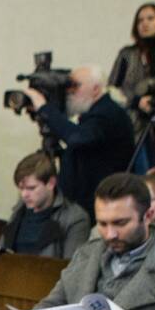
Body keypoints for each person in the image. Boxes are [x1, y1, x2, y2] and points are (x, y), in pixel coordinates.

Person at [35, 173, 155, 310]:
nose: (109, 234)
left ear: (148, 215)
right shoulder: (86, 253)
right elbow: (49, 307)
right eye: (102, 223)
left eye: (120, 223)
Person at [25, 66, 135, 216]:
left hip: (100, 203)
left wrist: (45, 108)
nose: (69, 91)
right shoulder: (95, 112)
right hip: (87, 200)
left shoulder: (107, 113)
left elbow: (76, 138)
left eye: (75, 86)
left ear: (96, 89)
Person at [0, 151, 90, 259]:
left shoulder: (75, 218)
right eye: (21, 188)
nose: (24, 195)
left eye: (31, 188)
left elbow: (73, 268)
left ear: (51, 183)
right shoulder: (18, 212)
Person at [109, 3, 155, 143]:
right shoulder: (127, 55)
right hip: (131, 122)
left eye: (150, 18)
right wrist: (136, 101)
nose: (145, 23)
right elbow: (112, 89)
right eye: (140, 20)